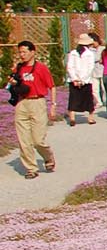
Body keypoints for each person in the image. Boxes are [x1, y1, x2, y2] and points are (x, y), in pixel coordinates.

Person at [9, 40, 57, 179]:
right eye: (20, 52)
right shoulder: (18, 68)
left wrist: (53, 105)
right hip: (22, 103)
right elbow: (13, 84)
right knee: (23, 140)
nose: (22, 55)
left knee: (38, 140)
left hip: (37, 102)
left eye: (24, 52)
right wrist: (13, 82)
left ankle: (48, 157)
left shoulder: (41, 68)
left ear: (32, 52)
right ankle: (31, 168)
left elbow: (51, 86)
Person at [65, 33, 98, 125]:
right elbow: (90, 68)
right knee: (88, 99)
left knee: (73, 99)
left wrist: (75, 79)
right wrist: (82, 80)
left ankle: (72, 118)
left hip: (74, 80)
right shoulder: (90, 54)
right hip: (86, 81)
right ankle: (90, 118)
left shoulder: (73, 53)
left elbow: (70, 66)